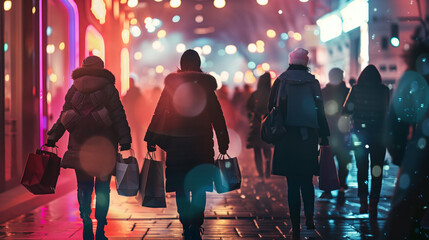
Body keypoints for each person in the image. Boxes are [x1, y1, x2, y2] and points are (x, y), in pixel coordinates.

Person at [145, 49, 229, 240]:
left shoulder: (171, 87)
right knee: (199, 185)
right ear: (198, 64)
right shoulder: (206, 87)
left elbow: (159, 113)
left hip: (177, 145)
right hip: (202, 145)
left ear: (181, 65)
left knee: (181, 186)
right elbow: (217, 116)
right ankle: (196, 224)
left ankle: (185, 223)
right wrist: (223, 142)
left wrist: (151, 139)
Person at [46, 55, 132, 240]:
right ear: (101, 68)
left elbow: (64, 115)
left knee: (84, 186)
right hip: (104, 148)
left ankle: (86, 219)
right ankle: (100, 227)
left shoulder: (74, 88)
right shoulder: (109, 89)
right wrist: (125, 140)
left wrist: (53, 136)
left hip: (80, 147)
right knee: (102, 189)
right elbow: (118, 115)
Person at [268, 48, 330, 239]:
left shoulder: (280, 81)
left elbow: (270, 108)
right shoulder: (313, 82)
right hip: (308, 136)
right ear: (306, 62)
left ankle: (295, 225)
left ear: (290, 61)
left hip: (286, 136)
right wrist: (324, 134)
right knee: (306, 180)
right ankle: (310, 217)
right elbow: (320, 109)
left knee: (292, 183)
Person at [382, 39, 429, 239]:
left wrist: (402, 157)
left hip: (423, 153)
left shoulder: (414, 76)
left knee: (404, 214)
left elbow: (394, 123)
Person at [342, 64, 389, 219]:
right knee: (377, 170)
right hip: (379, 135)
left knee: (362, 169)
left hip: (359, 135)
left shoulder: (355, 90)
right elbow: (387, 110)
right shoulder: (383, 90)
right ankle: (373, 205)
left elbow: (346, 110)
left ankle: (363, 201)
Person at [320, 68, 351, 203]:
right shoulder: (347, 91)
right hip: (343, 131)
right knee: (343, 159)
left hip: (328, 130)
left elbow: (320, 112)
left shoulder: (323, 92)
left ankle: (329, 189)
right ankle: (341, 185)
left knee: (327, 160)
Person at [246, 72, 272, 179]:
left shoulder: (255, 94)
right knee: (267, 147)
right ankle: (268, 166)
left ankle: (260, 173)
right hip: (268, 124)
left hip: (256, 125)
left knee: (257, 150)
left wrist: (251, 117)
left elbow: (248, 107)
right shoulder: (272, 93)